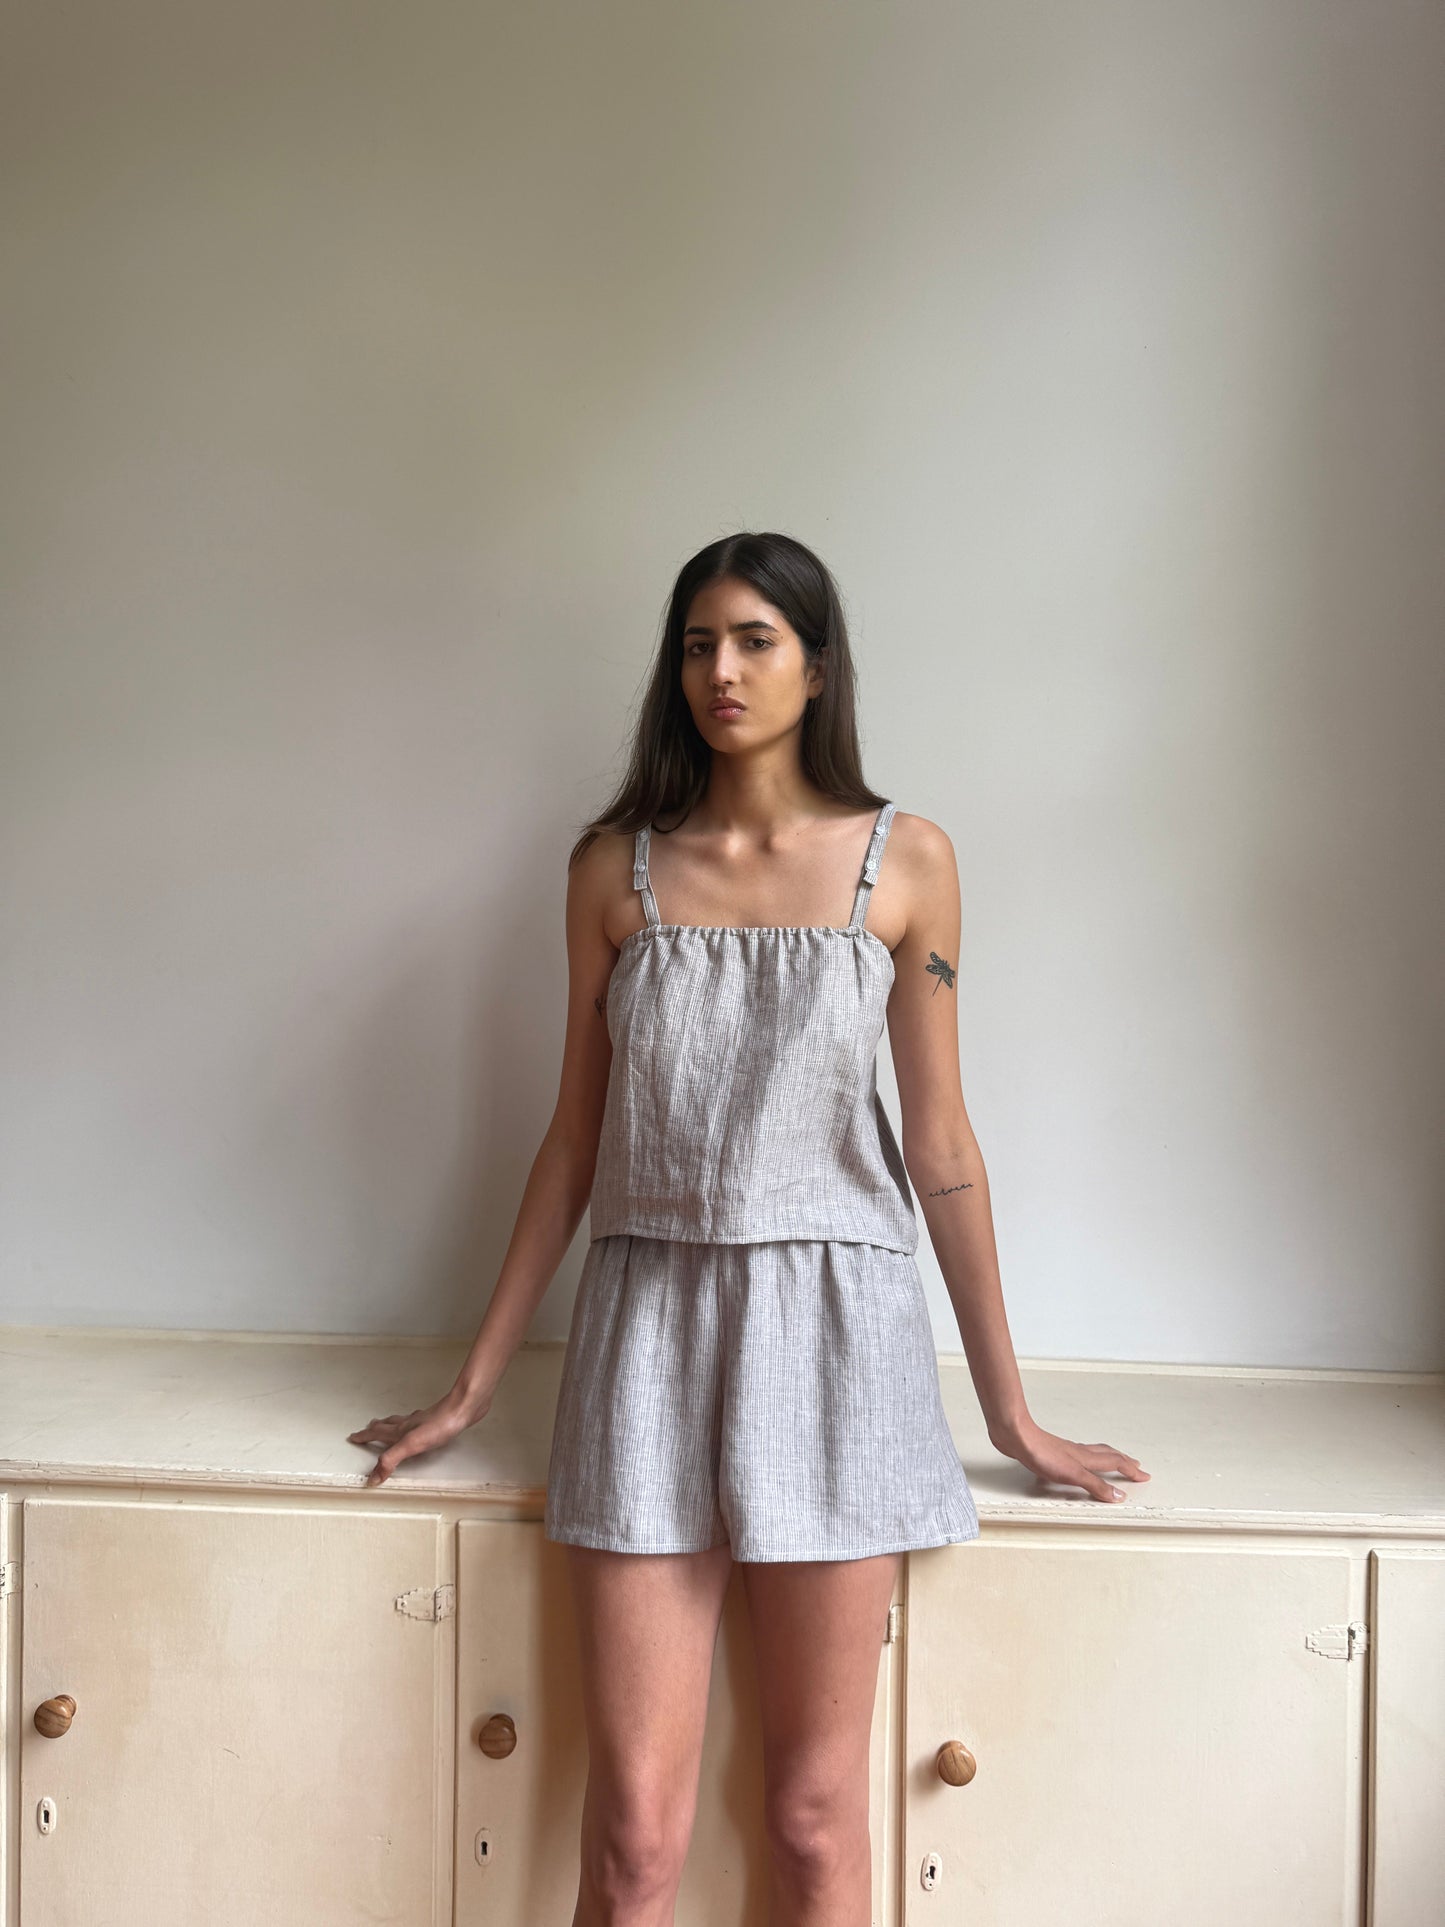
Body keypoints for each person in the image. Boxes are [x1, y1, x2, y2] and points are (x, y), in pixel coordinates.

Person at [348, 531, 1149, 1925]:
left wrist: (1011, 1414)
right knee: (635, 1843)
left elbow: (941, 1145)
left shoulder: (905, 863)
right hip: (644, 1335)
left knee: (812, 1817)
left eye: (754, 640)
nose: (720, 670)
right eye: (696, 642)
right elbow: (573, 1144)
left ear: (817, 665)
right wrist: (474, 1381)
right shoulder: (616, 871)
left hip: (842, 1340)